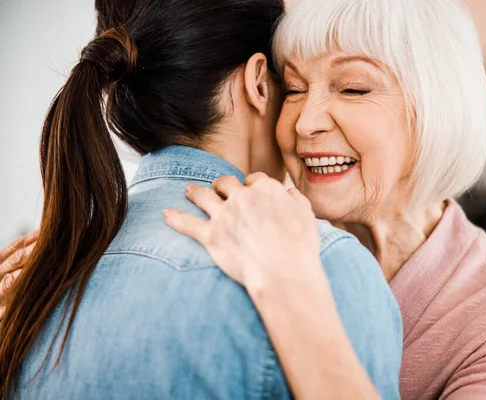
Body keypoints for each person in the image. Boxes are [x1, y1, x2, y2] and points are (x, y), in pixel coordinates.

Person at [164, 0, 486, 399]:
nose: (306, 122)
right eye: (293, 89)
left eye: (353, 89)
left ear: (436, 109)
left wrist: (288, 290)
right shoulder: (260, 237)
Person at [0, 0, 403, 398]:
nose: (306, 122)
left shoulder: (36, 284)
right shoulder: (323, 267)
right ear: (259, 82)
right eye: (293, 87)